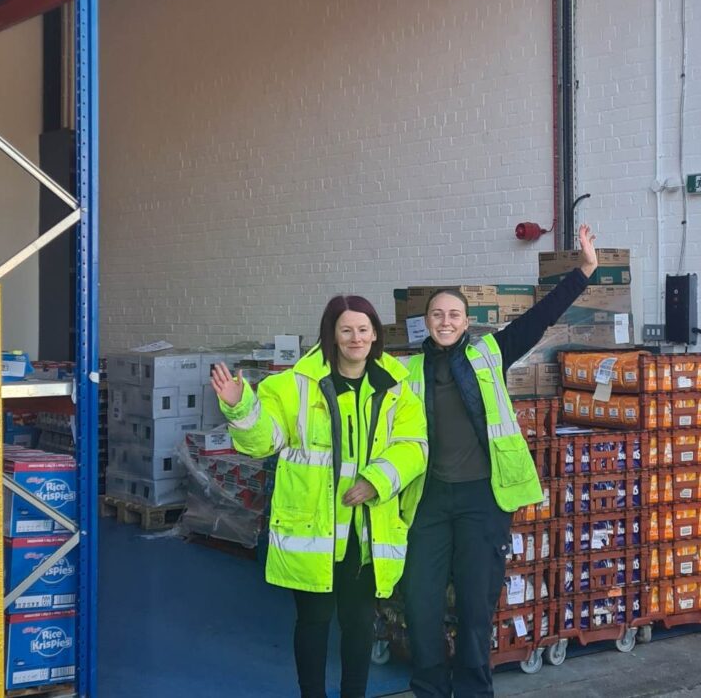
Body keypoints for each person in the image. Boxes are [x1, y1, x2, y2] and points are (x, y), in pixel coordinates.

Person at [402, 224, 599, 698]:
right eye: (437, 314)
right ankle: (429, 690)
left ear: (467, 322)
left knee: (474, 608)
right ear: (425, 322)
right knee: (421, 605)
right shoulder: (404, 370)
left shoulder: (491, 353)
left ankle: (473, 691)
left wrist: (584, 271)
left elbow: (540, 318)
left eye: (454, 314)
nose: (445, 321)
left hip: (481, 500)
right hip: (426, 502)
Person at [210, 295, 429, 698]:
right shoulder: (294, 385)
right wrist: (240, 406)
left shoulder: (396, 387)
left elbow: (414, 445)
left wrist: (376, 481)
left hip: (365, 532)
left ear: (375, 334)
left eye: (363, 329)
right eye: (346, 330)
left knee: (360, 623)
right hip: (314, 530)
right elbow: (265, 440)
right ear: (331, 334)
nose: (355, 337)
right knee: (313, 622)